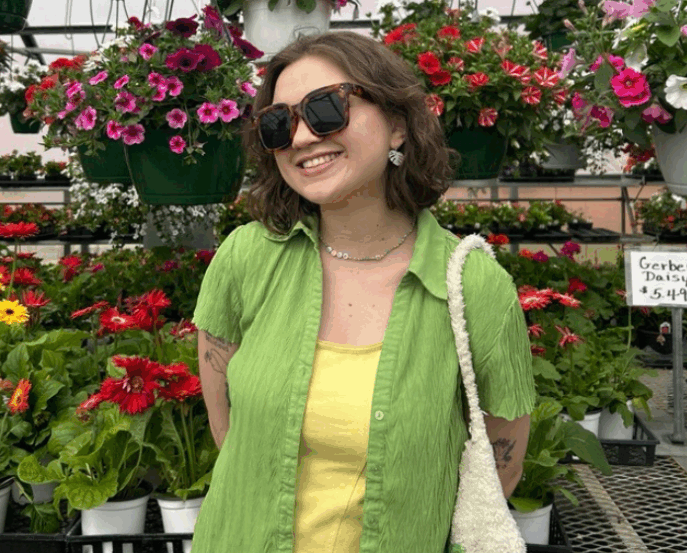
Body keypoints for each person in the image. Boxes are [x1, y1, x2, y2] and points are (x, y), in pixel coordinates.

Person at [191, 31, 536, 553]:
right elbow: (229, 433)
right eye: (279, 123)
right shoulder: (246, 260)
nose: (302, 138)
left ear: (398, 125)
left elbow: (500, 463)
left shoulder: (473, 286)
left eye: (327, 109)